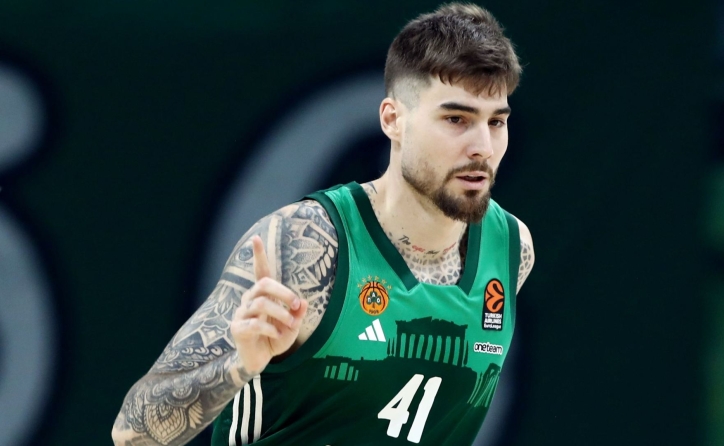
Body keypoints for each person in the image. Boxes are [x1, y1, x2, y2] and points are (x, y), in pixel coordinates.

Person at [112, 3, 534, 445]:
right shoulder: (305, 246)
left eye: (496, 122)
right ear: (393, 120)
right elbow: (133, 434)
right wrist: (237, 364)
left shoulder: (511, 250)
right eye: (456, 119)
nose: (483, 147)